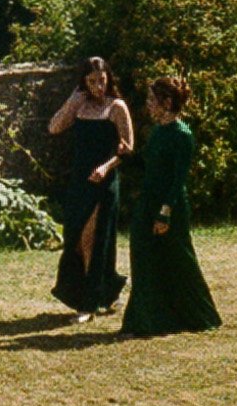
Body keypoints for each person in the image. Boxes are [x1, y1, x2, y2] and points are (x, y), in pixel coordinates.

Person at [120, 74, 222, 336]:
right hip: (148, 201)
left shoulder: (182, 135)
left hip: (170, 206)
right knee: (143, 257)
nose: (148, 105)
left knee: (178, 261)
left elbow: (178, 179)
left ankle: (199, 315)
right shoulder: (157, 132)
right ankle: (145, 320)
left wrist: (165, 213)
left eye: (152, 100)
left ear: (166, 102)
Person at [48, 55, 133, 319]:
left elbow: (128, 148)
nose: (98, 86)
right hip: (79, 182)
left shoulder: (116, 107)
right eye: (92, 81)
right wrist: (72, 101)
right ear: (84, 82)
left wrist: (106, 167)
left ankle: (89, 302)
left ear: (109, 79)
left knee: (92, 240)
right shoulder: (81, 106)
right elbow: (54, 128)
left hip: (103, 182)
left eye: (102, 81)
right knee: (75, 240)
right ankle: (108, 290)